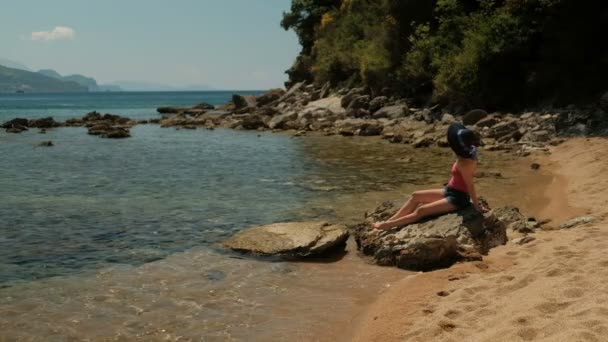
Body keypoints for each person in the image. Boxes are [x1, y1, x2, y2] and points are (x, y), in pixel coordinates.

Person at [373, 123, 488, 231]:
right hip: (450, 190)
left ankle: (387, 225)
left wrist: (476, 206)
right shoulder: (469, 151)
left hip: (458, 198)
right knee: (415, 196)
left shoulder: (466, 163)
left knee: (421, 210)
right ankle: (390, 220)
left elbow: (470, 185)